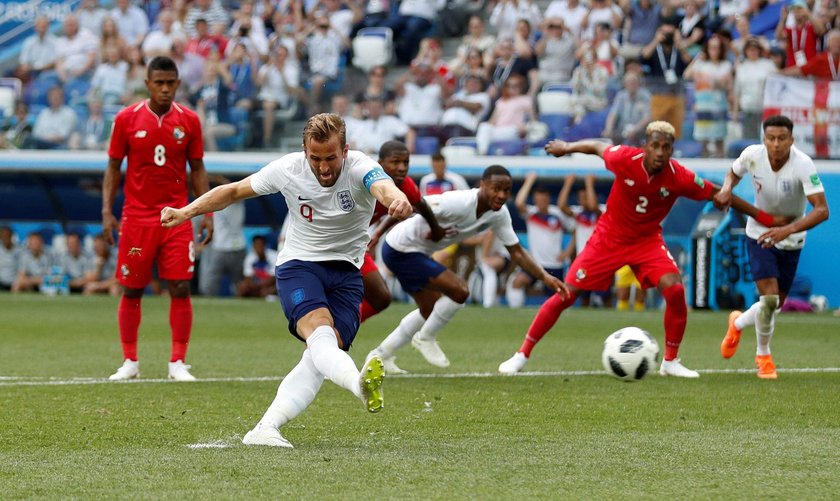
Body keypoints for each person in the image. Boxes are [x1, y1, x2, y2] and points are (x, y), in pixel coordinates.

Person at [159, 113, 413, 448]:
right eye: (315, 159)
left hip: (348, 274)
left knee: (319, 357)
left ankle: (265, 428)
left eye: (331, 158)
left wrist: (395, 198)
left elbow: (381, 185)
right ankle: (359, 384)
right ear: (304, 152)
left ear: (346, 151)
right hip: (300, 265)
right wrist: (185, 212)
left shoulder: (360, 167)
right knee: (321, 336)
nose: (323, 168)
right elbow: (233, 191)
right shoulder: (288, 169)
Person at [497, 121, 788, 376]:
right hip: (608, 238)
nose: (660, 152)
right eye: (655, 146)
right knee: (567, 293)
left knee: (675, 289)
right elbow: (598, 146)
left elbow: (717, 192)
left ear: (672, 149)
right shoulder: (624, 158)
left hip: (647, 241)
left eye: (666, 147)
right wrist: (567, 146)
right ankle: (521, 355)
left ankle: (671, 361)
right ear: (645, 146)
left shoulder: (680, 176)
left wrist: (762, 217)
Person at [367, 165, 569, 374]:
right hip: (400, 248)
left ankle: (381, 354)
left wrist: (545, 277)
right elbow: (414, 203)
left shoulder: (499, 215)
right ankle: (425, 338)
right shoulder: (459, 202)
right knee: (460, 291)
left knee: (428, 309)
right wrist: (378, 232)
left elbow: (517, 252)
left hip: (415, 253)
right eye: (496, 188)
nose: (501, 195)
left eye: (506, 190)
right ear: (483, 185)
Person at [102, 56, 212, 382]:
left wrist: (204, 212)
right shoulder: (126, 119)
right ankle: (130, 361)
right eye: (159, 83)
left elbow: (198, 169)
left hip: (177, 216)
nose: (165, 89)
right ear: (147, 84)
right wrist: (107, 212)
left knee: (179, 286)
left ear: (178, 84)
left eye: (170, 83)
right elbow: (112, 168)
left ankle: (178, 362)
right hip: (136, 217)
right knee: (132, 288)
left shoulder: (190, 121)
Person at [715, 115, 829, 379]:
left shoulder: (802, 164)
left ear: (792, 140)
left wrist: (786, 230)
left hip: (791, 238)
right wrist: (725, 188)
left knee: (776, 304)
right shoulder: (752, 155)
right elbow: (733, 173)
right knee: (768, 300)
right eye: (771, 138)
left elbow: (822, 210)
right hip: (759, 235)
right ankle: (763, 356)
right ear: (763, 139)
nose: (776, 144)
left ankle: (738, 322)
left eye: (782, 139)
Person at [361, 141, 445, 323]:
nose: (401, 168)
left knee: (381, 298)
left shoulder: (404, 185)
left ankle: (338, 331)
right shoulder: (363, 179)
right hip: (331, 243)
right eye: (395, 162)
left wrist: (436, 229)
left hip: (354, 247)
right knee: (341, 295)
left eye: (405, 162)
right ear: (380, 163)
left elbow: (420, 204)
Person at [506, 172, 575, 309]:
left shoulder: (558, 214)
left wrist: (568, 251)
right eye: (538, 200)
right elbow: (519, 203)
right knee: (518, 282)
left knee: (558, 295)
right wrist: (529, 181)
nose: (540, 203)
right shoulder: (531, 214)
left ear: (548, 199)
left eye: (543, 199)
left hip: (554, 264)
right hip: (535, 263)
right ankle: (516, 313)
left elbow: (575, 229)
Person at [199, 176, 246, 296]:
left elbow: (234, 190)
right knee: (210, 285)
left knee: (240, 284)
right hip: (219, 248)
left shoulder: (236, 201)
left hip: (237, 248)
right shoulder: (213, 205)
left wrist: (218, 179)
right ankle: (210, 309)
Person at [0, 226, 20, 290]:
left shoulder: (19, 250)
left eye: (8, 235)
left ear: (12, 236)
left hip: (15, 282)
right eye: (3, 235)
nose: (6, 237)